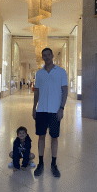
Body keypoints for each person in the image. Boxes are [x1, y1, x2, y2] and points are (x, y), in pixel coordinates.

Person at [32, 48, 68, 177]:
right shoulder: (39, 73)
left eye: (48, 55)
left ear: (52, 56)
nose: (46, 57)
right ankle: (40, 163)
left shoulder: (61, 72)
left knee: (54, 137)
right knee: (41, 136)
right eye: (44, 55)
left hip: (54, 111)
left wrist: (61, 108)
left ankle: (53, 164)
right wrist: (34, 107)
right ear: (42, 57)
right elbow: (36, 92)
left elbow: (65, 91)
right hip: (41, 110)